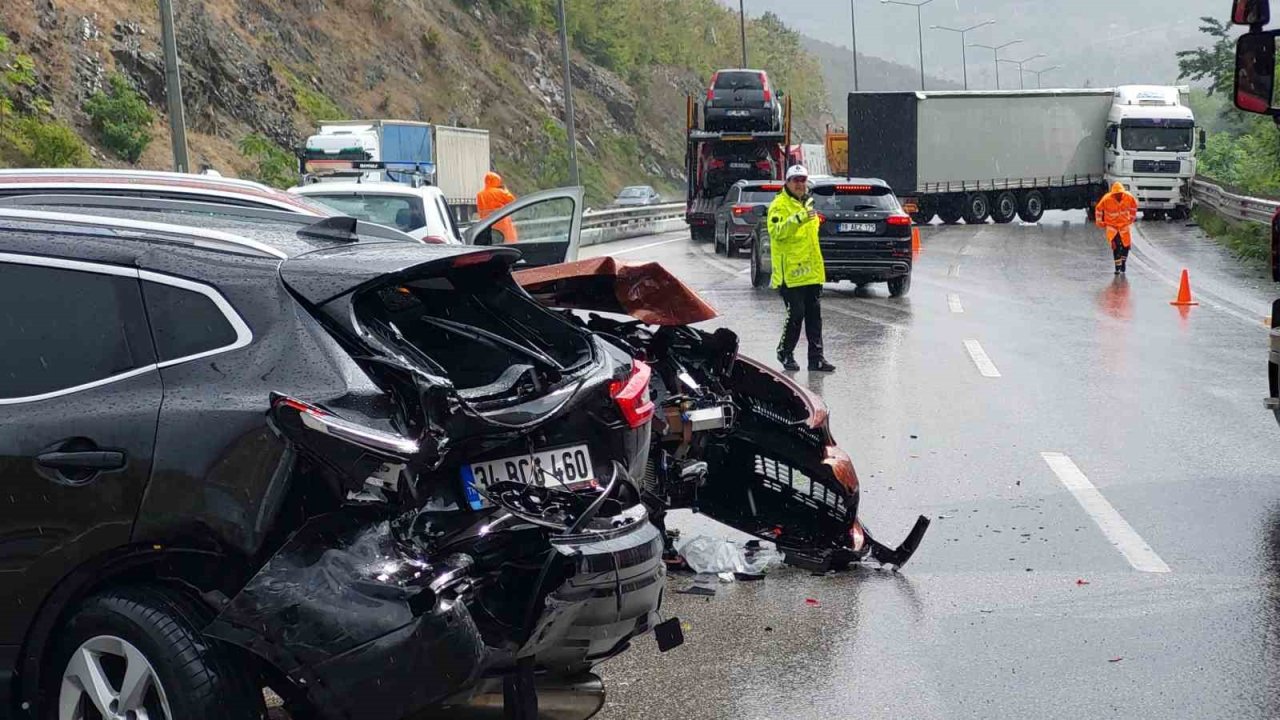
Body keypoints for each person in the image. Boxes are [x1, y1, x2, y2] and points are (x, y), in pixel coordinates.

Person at [767, 165, 835, 372]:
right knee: (796, 314)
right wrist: (798, 218)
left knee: (814, 317)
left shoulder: (809, 205)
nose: (799, 184)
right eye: (795, 180)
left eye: (802, 180)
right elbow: (777, 232)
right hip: (790, 274)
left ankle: (816, 358)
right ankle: (785, 352)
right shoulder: (779, 205)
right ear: (787, 182)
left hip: (812, 273)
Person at [1094, 181, 1138, 274]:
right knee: (1116, 246)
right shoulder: (1106, 199)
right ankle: (1117, 267)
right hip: (1112, 226)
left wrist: (1132, 218)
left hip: (1124, 225)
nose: (1118, 195)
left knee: (1126, 245)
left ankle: (1123, 263)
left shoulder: (1128, 197)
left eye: (1120, 194)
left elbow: (1134, 207)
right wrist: (1099, 221)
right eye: (1116, 194)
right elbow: (1098, 209)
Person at [476, 171, 518, 244]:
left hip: (487, 224)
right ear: (497, 181)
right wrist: (505, 189)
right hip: (502, 222)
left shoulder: (480, 195)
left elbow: (480, 211)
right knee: (508, 242)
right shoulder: (501, 192)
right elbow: (513, 201)